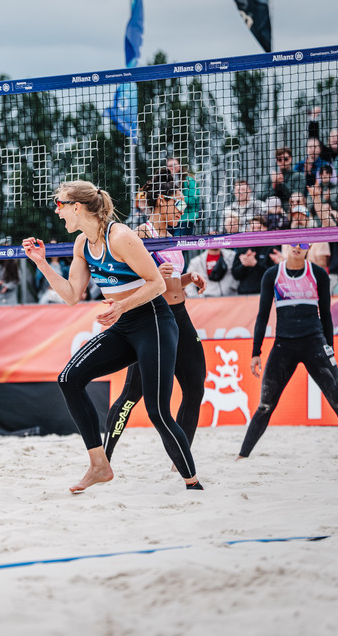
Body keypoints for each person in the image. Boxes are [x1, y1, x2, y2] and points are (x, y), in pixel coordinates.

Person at [22, 180, 202, 492]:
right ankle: (99, 466)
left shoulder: (119, 236)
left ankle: (192, 483)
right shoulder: (82, 244)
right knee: (68, 379)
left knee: (157, 411)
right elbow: (71, 295)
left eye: (60, 204)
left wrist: (121, 306)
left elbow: (157, 284)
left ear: (77, 207)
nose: (57, 211)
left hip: (154, 321)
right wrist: (42, 263)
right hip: (125, 324)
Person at [102, 170, 208, 463]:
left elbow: (169, 281)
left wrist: (188, 278)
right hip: (152, 319)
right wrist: (151, 275)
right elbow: (126, 281)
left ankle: (180, 459)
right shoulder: (139, 236)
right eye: (179, 204)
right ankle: (104, 456)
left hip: (180, 316)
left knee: (195, 387)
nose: (183, 210)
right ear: (161, 200)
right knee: (132, 394)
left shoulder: (171, 238)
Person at [238, 243, 338, 459]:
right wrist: (256, 352)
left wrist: (330, 348)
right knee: (265, 406)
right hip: (284, 345)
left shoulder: (318, 274)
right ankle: (242, 456)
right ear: (285, 245)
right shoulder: (272, 274)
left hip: (314, 343)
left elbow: (326, 315)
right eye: (293, 242)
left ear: (308, 248)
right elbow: (262, 316)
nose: (297, 247)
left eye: (302, 244)